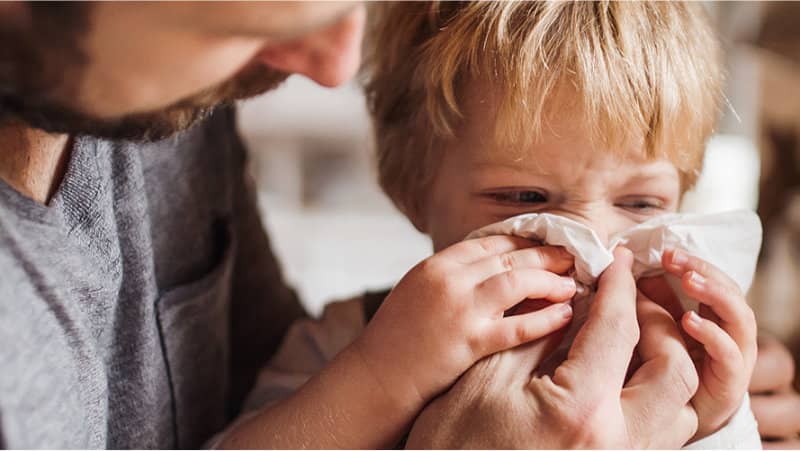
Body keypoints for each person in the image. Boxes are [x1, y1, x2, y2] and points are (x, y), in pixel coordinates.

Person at [0, 2, 795, 449]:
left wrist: (719, 420)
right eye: (523, 200)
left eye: (644, 206)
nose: (592, 249)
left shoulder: (673, 355)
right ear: (415, 192)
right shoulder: (354, 345)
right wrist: (379, 379)